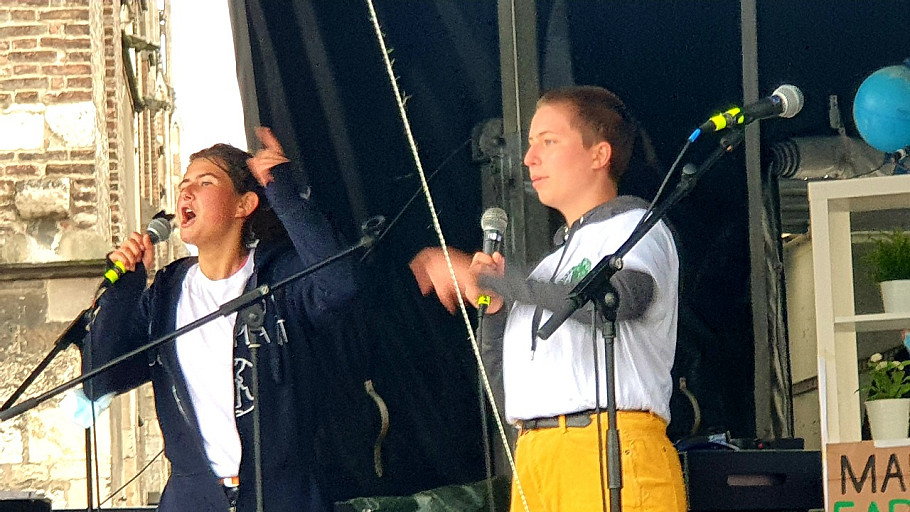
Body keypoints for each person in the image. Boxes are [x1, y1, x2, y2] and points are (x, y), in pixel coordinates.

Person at [415, 85, 687, 511]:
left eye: (548, 141)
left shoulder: (634, 226)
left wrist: (501, 282)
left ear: (599, 155)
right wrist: (495, 309)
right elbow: (509, 393)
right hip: (536, 459)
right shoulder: (546, 269)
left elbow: (622, 297)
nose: (529, 158)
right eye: (530, 144)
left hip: (607, 451)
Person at [82, 128, 355, 512]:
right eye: (184, 184)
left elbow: (341, 285)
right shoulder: (165, 294)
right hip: (192, 500)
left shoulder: (279, 278)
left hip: (285, 497)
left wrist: (281, 190)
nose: (186, 192)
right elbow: (99, 379)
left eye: (205, 182)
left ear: (244, 204)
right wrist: (125, 290)